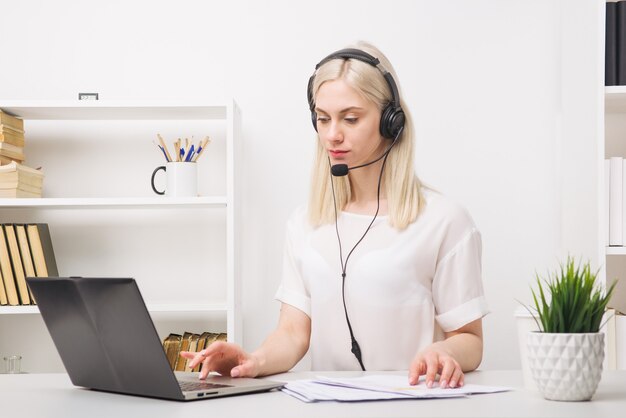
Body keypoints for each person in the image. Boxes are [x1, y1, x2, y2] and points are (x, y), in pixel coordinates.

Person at [181, 41, 488, 389]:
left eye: (351, 118)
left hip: (411, 404)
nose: (332, 135)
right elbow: (294, 333)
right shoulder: (304, 223)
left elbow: (470, 340)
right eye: (323, 119)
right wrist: (254, 361)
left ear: (392, 122)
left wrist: (444, 352)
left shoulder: (444, 220)